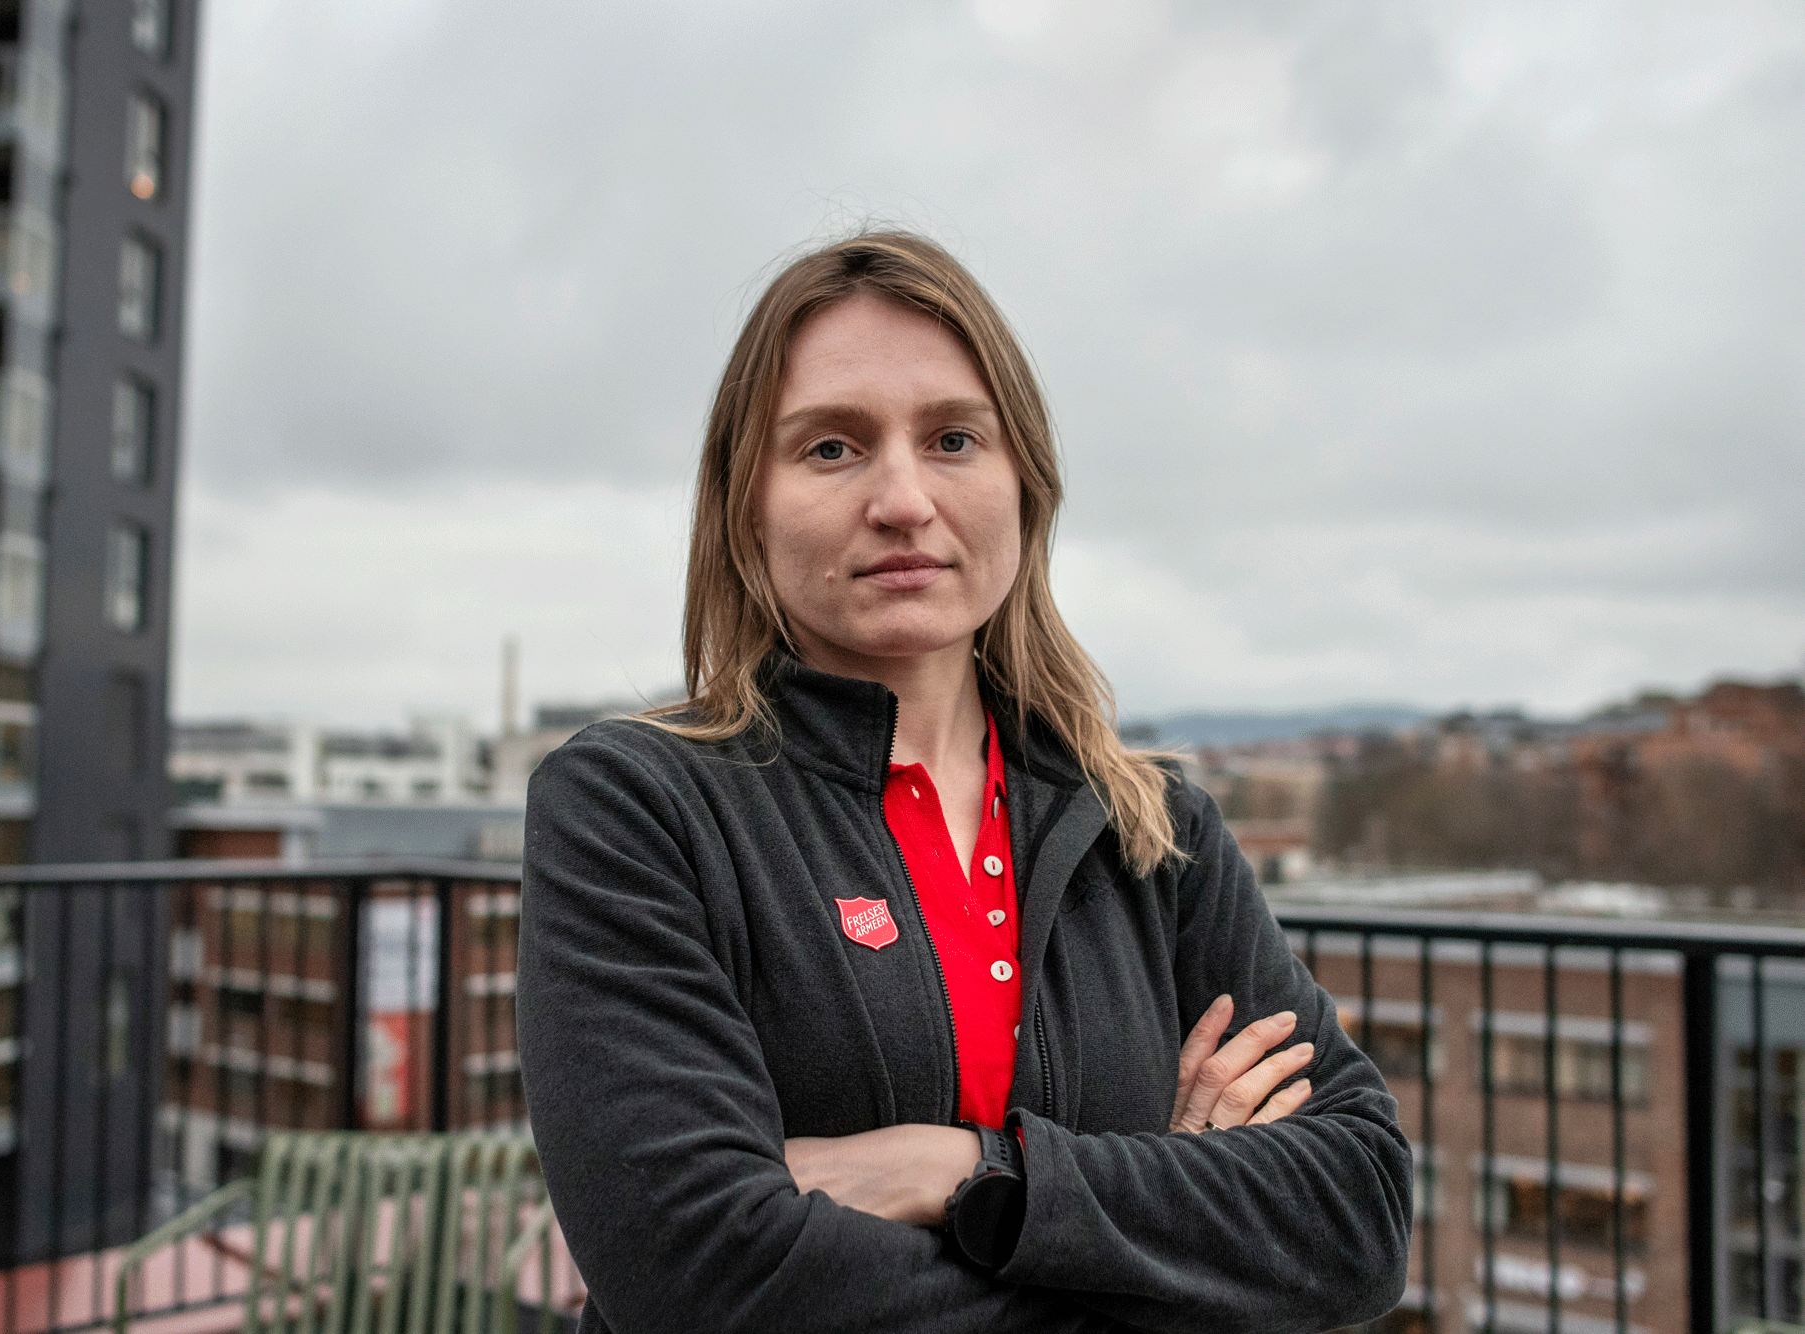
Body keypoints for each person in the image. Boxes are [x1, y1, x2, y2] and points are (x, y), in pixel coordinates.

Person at [516, 232, 1411, 1334]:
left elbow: (1358, 1216)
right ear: (744, 502)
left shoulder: (1150, 826)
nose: (902, 499)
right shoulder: (635, 807)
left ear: (1023, 483)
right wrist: (1166, 1243)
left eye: (951, 438)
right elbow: (698, 1275)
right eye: (831, 448)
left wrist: (965, 1172)